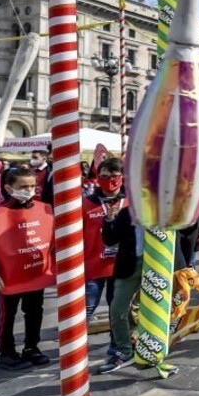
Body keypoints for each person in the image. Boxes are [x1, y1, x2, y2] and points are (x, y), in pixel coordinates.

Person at [0, 167, 55, 371]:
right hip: (6, 276)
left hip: (35, 273)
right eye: (23, 186)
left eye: (32, 186)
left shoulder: (44, 208)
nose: (29, 190)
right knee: (6, 315)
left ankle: (32, 347)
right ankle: (6, 352)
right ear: (8, 187)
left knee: (34, 312)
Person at [95, 194, 142, 374]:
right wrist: (109, 218)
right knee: (117, 310)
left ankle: (149, 346)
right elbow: (110, 240)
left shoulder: (162, 214)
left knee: (151, 309)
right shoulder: (126, 213)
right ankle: (124, 350)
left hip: (156, 266)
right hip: (128, 265)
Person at [81, 158, 124, 319]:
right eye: (104, 176)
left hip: (121, 266)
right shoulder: (86, 203)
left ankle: (116, 344)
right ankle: (76, 344)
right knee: (85, 310)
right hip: (93, 265)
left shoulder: (129, 203)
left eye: (114, 176)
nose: (109, 181)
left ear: (122, 177)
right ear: (98, 177)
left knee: (117, 312)